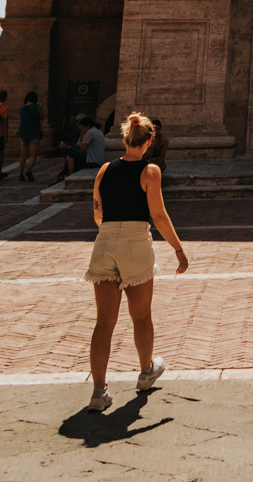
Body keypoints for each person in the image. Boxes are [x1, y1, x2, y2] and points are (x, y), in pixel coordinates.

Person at [83, 110, 188, 414]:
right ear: (150, 140)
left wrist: (109, 231)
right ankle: (145, 372)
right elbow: (158, 214)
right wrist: (178, 249)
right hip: (135, 241)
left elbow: (97, 211)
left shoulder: (104, 169)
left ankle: (98, 391)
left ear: (125, 138)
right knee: (140, 316)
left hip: (104, 240)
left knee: (104, 321)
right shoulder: (150, 171)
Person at [60, 113, 107, 179]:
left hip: (92, 161)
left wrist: (68, 147)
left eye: (82, 129)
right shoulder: (96, 130)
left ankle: (69, 175)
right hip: (97, 160)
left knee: (70, 151)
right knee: (70, 152)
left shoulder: (90, 132)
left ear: (88, 126)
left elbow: (82, 149)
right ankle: (65, 173)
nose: (82, 130)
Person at [17, 91, 42, 182]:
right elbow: (42, 117)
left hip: (23, 132)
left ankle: (20, 174)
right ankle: (29, 169)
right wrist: (40, 107)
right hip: (34, 131)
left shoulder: (21, 108)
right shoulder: (36, 106)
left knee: (23, 154)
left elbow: (20, 120)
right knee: (33, 153)